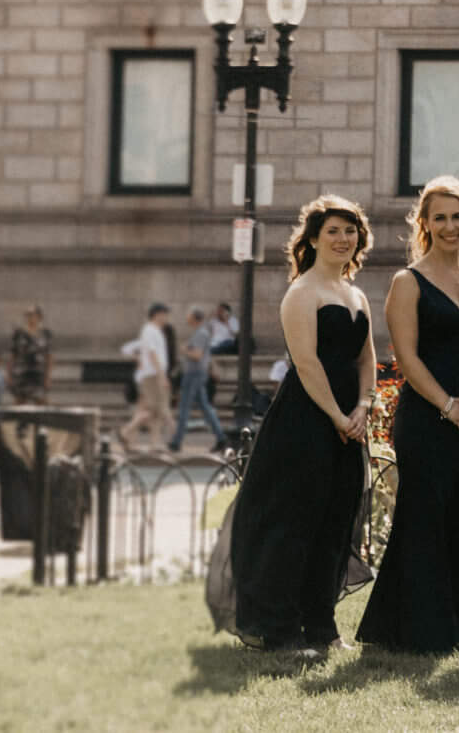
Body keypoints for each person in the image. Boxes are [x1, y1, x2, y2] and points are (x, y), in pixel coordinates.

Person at [357, 177, 459, 653]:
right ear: (424, 223)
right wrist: (447, 405)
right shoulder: (408, 282)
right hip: (425, 418)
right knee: (424, 515)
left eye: (458, 216)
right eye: (439, 218)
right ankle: (417, 628)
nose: (450, 226)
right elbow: (406, 357)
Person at [227, 197, 375, 657]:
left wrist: (363, 406)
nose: (343, 239)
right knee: (293, 526)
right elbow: (307, 363)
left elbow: (367, 358)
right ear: (312, 239)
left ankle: (322, 628)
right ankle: (281, 632)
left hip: (349, 423)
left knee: (334, 525)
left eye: (350, 230)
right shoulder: (301, 293)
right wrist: (337, 416)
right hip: (305, 423)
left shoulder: (355, 294)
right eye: (333, 230)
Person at [118, 304, 174, 452]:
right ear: (157, 314)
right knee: (153, 409)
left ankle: (154, 442)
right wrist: (161, 376)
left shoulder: (154, 331)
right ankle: (126, 431)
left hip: (153, 374)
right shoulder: (150, 330)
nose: (167, 318)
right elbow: (152, 353)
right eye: (165, 314)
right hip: (152, 375)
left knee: (154, 411)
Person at [171, 307, 226, 453]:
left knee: (184, 406)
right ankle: (221, 438)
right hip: (195, 374)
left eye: (188, 316)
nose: (186, 318)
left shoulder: (201, 333)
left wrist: (184, 350)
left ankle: (176, 442)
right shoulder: (201, 332)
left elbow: (197, 355)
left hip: (194, 374)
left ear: (194, 318)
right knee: (205, 407)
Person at [9, 306, 50, 404]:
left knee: (41, 400)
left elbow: (49, 356)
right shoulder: (19, 333)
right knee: (19, 400)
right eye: (28, 315)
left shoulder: (45, 334)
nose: (30, 317)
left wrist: (48, 376)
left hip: (38, 373)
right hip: (21, 373)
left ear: (39, 317)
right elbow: (13, 355)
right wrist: (9, 375)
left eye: (32, 315)